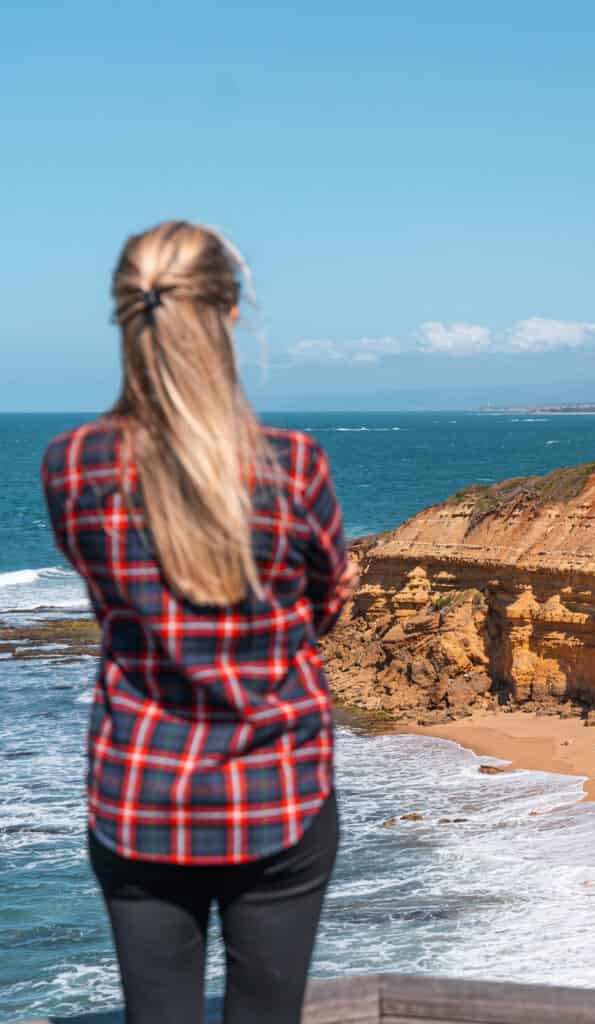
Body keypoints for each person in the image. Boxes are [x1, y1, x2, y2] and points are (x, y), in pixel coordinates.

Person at [40, 220, 359, 1024]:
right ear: (230, 314)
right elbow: (318, 608)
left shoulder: (73, 464)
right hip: (277, 786)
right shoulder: (290, 464)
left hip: (139, 790)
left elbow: (109, 597)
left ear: (125, 318)